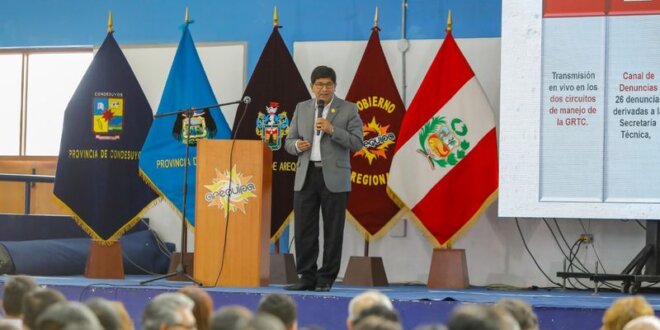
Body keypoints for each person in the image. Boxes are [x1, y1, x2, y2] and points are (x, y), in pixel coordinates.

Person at [284, 65, 363, 292]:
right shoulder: (302, 108)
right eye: (319, 85)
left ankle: (326, 278)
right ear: (312, 87)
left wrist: (332, 130)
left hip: (334, 177)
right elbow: (288, 141)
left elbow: (357, 142)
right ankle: (306, 277)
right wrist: (297, 145)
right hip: (306, 174)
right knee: (304, 229)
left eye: (328, 84)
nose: (324, 89)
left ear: (335, 86)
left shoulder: (348, 109)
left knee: (333, 230)